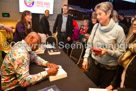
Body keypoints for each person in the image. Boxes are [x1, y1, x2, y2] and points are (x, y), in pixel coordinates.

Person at [82, 2, 126, 88]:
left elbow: (122, 53)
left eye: (100, 14)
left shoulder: (118, 30)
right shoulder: (96, 27)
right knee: (90, 87)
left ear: (109, 13)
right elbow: (90, 44)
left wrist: (107, 51)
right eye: (96, 14)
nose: (97, 17)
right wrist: (85, 58)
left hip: (108, 71)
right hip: (94, 65)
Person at [106, 19, 136, 91]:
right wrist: (113, 84)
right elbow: (122, 68)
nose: (134, 23)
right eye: (135, 20)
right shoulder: (131, 43)